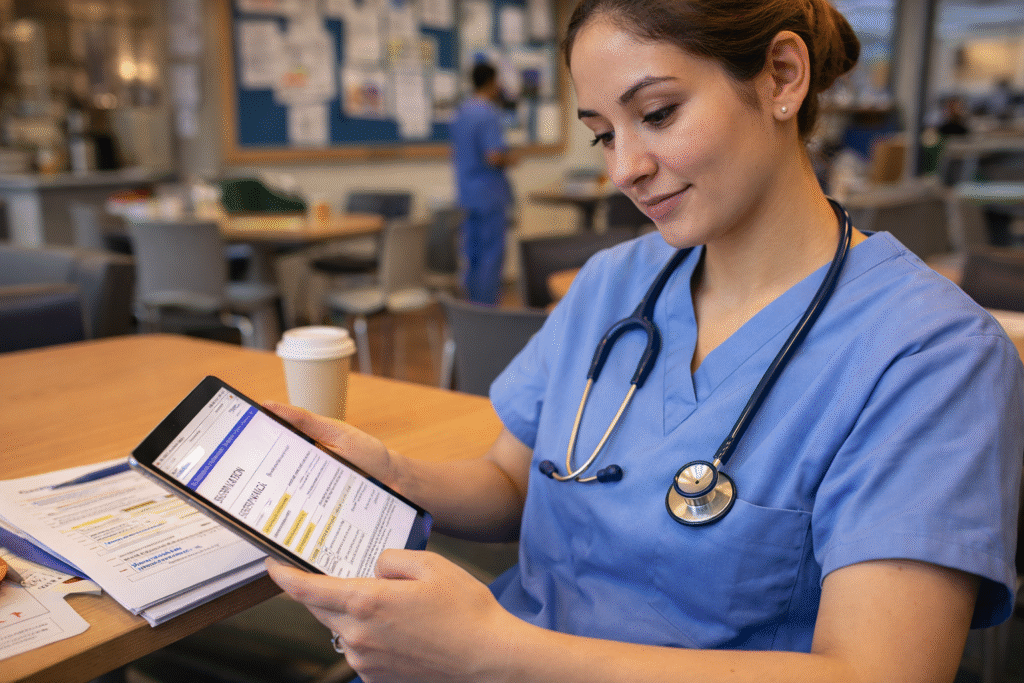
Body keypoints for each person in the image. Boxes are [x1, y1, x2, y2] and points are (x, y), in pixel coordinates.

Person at [267, 1, 1024, 681]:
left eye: (657, 113)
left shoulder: (930, 355)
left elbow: (875, 672)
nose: (624, 168)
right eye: (602, 134)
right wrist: (389, 471)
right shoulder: (612, 282)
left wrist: (491, 651)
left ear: (782, 77)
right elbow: (514, 483)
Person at [449, 62, 517, 305]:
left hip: (467, 194)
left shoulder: (462, 112)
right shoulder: (487, 113)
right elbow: (493, 155)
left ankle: (470, 309)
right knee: (491, 255)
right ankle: (487, 310)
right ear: (491, 82)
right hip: (489, 196)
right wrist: (512, 158)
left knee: (472, 254)